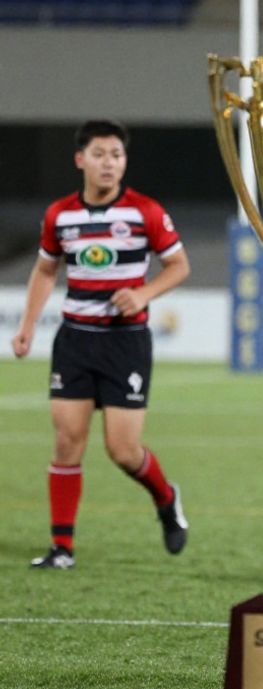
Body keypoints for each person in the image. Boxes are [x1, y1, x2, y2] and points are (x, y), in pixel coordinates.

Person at [11, 119, 190, 569]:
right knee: (67, 441)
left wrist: (144, 294)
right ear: (80, 160)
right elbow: (47, 270)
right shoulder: (60, 215)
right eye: (100, 155)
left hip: (125, 343)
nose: (109, 163)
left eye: (117, 155)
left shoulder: (145, 212)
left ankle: (167, 500)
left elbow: (179, 265)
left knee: (123, 451)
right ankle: (62, 548)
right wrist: (28, 325)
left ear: (124, 162)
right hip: (74, 340)